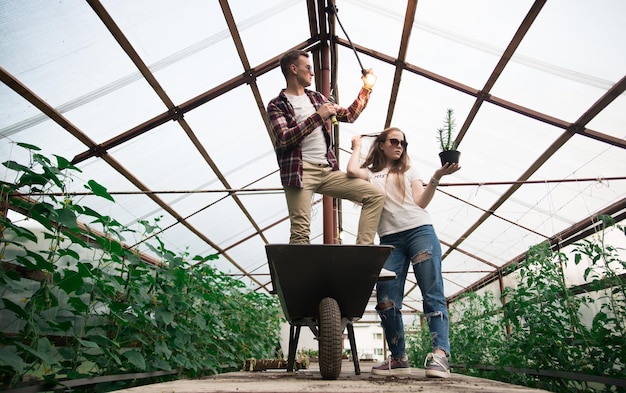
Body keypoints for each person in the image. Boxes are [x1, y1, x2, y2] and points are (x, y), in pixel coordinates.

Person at [347, 127, 461, 378]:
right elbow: (352, 171)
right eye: (395, 141)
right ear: (382, 144)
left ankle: (441, 355)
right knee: (386, 301)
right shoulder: (372, 174)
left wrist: (436, 177)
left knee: (432, 292)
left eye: (404, 143)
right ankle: (399, 358)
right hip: (389, 240)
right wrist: (356, 145)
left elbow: (420, 202)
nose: (400, 146)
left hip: (420, 232)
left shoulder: (410, 170)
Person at [266, 50, 391, 275]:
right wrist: (318, 117)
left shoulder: (316, 99)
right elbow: (284, 139)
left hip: (327, 171)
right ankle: (301, 279)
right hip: (300, 172)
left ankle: (363, 257)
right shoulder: (277, 105)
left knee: (374, 195)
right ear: (293, 70)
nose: (312, 72)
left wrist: (366, 87)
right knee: (300, 231)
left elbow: (350, 115)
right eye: (307, 68)